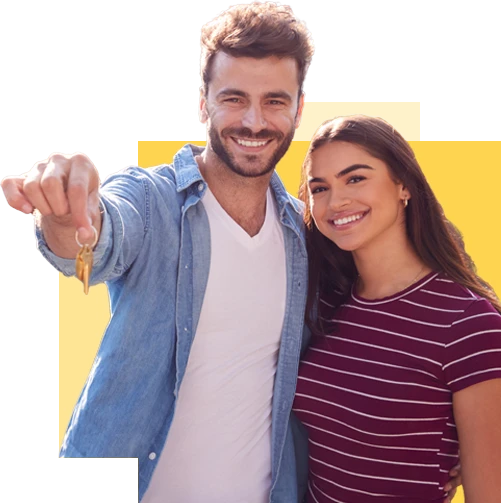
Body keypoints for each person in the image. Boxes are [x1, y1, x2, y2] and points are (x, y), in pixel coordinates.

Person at [0, 1, 461, 502]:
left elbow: (373, 337)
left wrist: (450, 432)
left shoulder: (306, 235)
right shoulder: (152, 200)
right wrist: (67, 216)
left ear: (300, 107)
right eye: (234, 98)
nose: (254, 121)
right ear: (203, 102)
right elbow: (98, 239)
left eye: (275, 101)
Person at [293, 114, 501, 503]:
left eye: (355, 178)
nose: (336, 202)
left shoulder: (468, 324)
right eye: (319, 188)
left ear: (404, 185)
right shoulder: (325, 305)